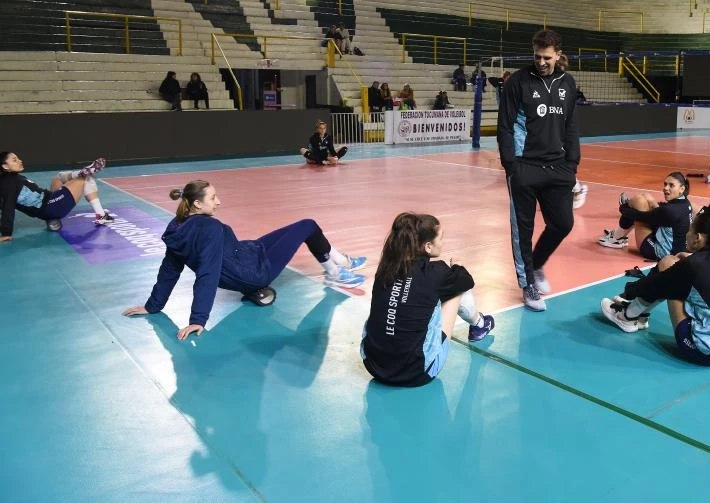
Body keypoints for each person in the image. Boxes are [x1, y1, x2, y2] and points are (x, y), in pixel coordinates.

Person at [122, 180, 366, 340]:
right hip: (253, 272)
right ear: (197, 203)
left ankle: (340, 263)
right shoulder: (210, 229)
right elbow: (207, 273)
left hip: (250, 252)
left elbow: (170, 269)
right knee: (308, 225)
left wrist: (153, 305)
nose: (218, 201)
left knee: (301, 227)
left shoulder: (177, 226)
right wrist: (198, 319)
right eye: (213, 197)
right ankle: (337, 269)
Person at [599, 208, 710, 367]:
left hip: (706, 353)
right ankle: (639, 315)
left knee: (668, 267)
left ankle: (627, 315)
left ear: (698, 238)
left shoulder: (694, 265)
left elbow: (656, 283)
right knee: (678, 275)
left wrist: (628, 291)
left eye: (690, 229)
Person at [360, 213, 495, 386]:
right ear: (428, 247)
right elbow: (467, 280)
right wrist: (457, 266)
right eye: (441, 238)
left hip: (373, 365)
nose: (443, 242)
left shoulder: (385, 269)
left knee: (412, 302)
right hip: (417, 374)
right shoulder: (437, 272)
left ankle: (479, 323)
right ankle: (479, 324)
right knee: (456, 289)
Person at [497, 29, 580, 311]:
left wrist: (572, 165)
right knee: (523, 229)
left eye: (546, 57)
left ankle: (537, 264)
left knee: (563, 223)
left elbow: (571, 126)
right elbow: (505, 126)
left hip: (558, 167)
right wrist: (511, 166)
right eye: (537, 56)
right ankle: (527, 284)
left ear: (557, 54)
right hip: (525, 167)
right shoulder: (517, 82)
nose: (541, 62)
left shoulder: (567, 83)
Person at [1, 152, 112, 238]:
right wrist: (6, 233)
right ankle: (101, 215)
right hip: (51, 207)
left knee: (58, 177)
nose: (20, 161)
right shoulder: (9, 184)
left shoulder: (10, 178)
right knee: (86, 179)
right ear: (5, 166)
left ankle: (81, 172)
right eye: (14, 160)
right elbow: (8, 208)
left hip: (48, 201)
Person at [598, 172, 693, 261]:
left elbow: (639, 216)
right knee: (647, 197)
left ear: (682, 188)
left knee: (639, 201)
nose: (666, 188)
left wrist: (623, 207)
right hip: (677, 249)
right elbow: (661, 208)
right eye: (665, 184)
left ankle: (616, 238)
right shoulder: (685, 203)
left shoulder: (670, 211)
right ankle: (617, 236)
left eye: (671, 185)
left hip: (662, 253)